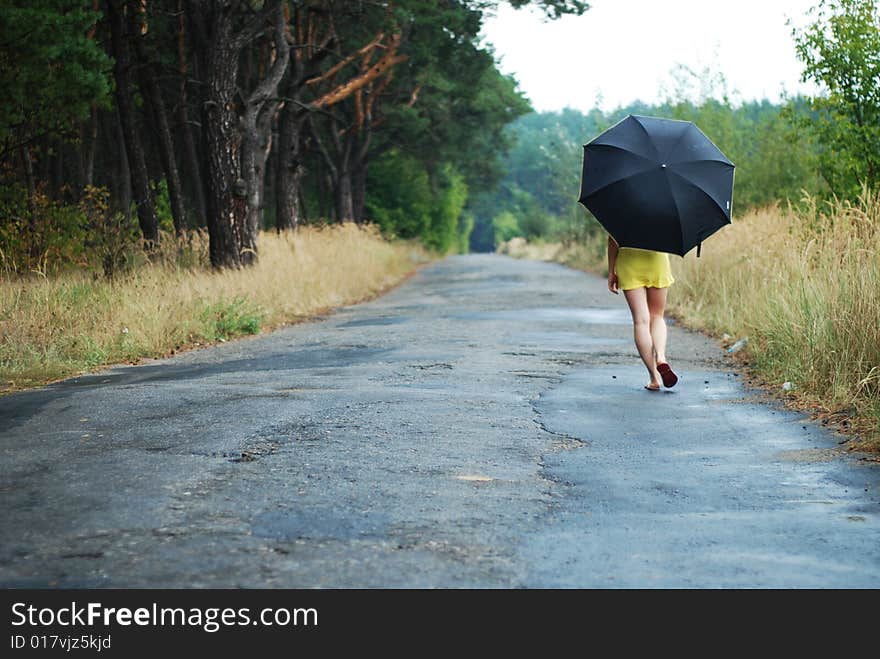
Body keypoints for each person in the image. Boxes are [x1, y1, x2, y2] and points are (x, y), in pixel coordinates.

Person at [606, 236, 679, 391]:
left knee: (641, 321)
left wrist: (611, 270)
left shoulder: (620, 211)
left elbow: (613, 240)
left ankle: (654, 378)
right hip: (657, 260)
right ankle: (661, 357)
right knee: (657, 316)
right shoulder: (664, 211)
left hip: (629, 263)